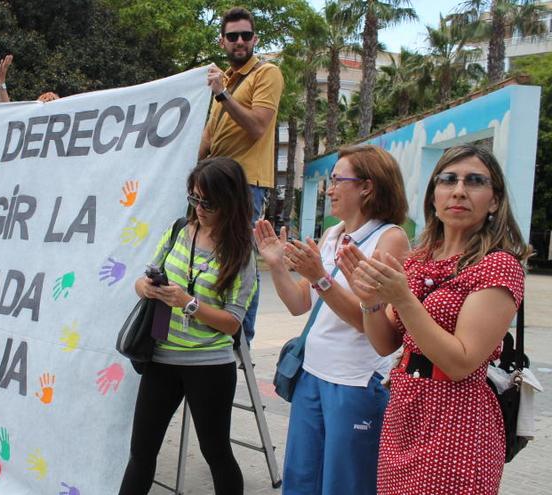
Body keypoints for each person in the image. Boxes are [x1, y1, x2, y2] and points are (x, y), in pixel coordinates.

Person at [338, 144, 530, 495]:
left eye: (474, 181)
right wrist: (370, 303)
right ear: (433, 196)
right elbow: (386, 342)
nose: (459, 190)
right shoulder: (419, 258)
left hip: (458, 424)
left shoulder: (499, 265)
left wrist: (402, 298)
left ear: (495, 201)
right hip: (404, 414)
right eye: (448, 180)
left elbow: (461, 362)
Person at [255, 145, 409, 494]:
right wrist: (278, 264)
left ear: (367, 187)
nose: (330, 189)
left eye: (339, 179)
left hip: (355, 381)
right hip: (313, 374)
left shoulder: (390, 238)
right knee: (301, 480)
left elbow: (372, 323)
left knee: (346, 484)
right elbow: (299, 304)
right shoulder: (333, 234)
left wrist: (321, 277)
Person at [119, 157, 257, 495]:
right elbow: (141, 279)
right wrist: (146, 287)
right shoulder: (180, 229)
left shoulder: (240, 252)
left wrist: (188, 303)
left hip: (209, 364)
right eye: (193, 197)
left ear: (230, 200)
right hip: (161, 358)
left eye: (207, 201)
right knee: (141, 453)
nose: (199, 207)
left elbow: (233, 323)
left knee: (216, 452)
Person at [198, 6, 283, 344]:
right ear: (222, 41)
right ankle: (216, 326)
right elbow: (209, 136)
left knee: (241, 260)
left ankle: (240, 338)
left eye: (246, 35)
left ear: (255, 38)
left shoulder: (267, 74)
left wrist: (222, 94)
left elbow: (257, 127)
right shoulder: (225, 81)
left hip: (246, 184)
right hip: (213, 183)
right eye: (232, 36)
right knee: (211, 256)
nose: (239, 41)